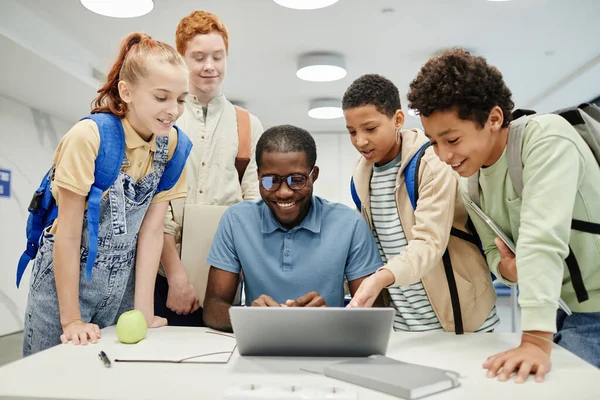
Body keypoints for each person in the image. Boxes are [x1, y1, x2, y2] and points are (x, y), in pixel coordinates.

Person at [407, 48, 600, 381]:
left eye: (451, 139)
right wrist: (508, 269)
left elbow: (541, 240)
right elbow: (496, 252)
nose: (442, 155)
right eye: (433, 142)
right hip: (560, 310)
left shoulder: (546, 138)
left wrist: (536, 343)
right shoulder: (470, 183)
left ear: (494, 119)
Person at [22, 32, 190, 356]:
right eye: (161, 97)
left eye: (181, 99)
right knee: (49, 379)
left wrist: (143, 311)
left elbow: (152, 231)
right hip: (65, 284)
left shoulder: (173, 148)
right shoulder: (89, 137)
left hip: (122, 284)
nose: (173, 110)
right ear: (126, 92)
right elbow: (68, 236)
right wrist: (71, 321)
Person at [342, 74, 498, 334]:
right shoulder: (360, 176)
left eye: (370, 129)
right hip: (403, 326)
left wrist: (379, 279)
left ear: (398, 120)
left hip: (462, 321)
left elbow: (429, 243)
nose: (360, 141)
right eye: (351, 132)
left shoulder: (432, 164)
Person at [202, 124, 383, 332]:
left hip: (326, 342)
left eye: (296, 180)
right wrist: (250, 317)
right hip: (260, 342)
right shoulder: (236, 221)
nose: (284, 193)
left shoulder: (350, 224)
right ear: (258, 176)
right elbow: (213, 308)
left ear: (313, 175)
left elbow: (373, 314)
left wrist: (330, 319)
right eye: (271, 181)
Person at [156, 10, 264, 327]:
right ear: (181, 58)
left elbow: (254, 203)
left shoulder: (248, 124)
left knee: (222, 361)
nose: (209, 66)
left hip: (228, 274)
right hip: (165, 274)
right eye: (198, 56)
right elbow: (155, 206)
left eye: (218, 56)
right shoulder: (165, 120)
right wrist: (176, 277)